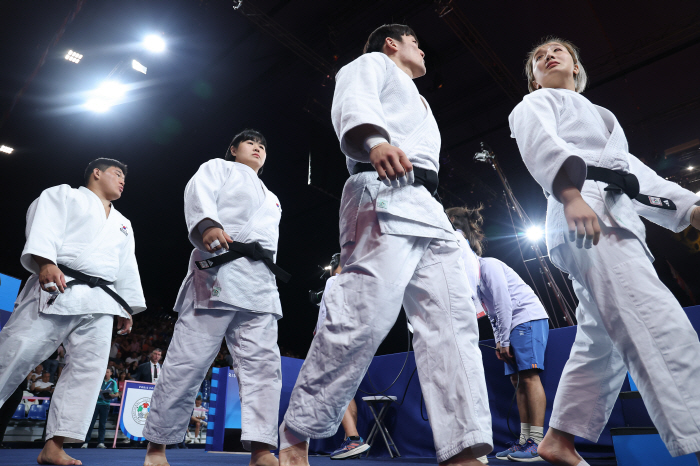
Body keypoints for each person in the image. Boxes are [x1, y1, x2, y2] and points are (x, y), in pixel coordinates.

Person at [279, 24, 492, 466]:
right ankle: (296, 434)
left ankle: (463, 448)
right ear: (392, 43)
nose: (424, 51)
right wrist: (374, 141)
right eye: (417, 41)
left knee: (452, 325)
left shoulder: (421, 100)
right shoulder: (371, 63)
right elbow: (352, 103)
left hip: (428, 207)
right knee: (363, 316)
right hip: (382, 188)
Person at [509, 37, 700, 466]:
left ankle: (559, 439)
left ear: (576, 66)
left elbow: (637, 176)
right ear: (534, 80)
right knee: (654, 322)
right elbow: (540, 146)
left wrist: (690, 209)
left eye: (558, 51)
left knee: (603, 339)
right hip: (586, 214)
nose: (547, 56)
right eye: (538, 58)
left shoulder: (602, 118)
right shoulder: (534, 106)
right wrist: (568, 192)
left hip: (611, 216)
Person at [143, 129, 285, 466]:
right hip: (219, 273)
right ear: (233, 149)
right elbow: (198, 194)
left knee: (264, 369)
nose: (258, 148)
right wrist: (207, 224)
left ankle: (261, 448)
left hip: (260, 285)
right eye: (250, 143)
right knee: (186, 362)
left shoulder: (272, 197)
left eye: (263, 145)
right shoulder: (217, 169)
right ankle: (156, 447)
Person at [0, 157, 146, 466]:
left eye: (124, 177)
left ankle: (55, 445)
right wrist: (45, 261)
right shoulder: (64, 194)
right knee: (13, 354)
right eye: (117, 173)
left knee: (87, 373)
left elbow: (126, 267)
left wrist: (125, 306)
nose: (122, 181)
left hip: (102, 301)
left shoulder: (123, 223)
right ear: (96, 172)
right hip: (59, 283)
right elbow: (44, 226)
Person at [448, 206, 550, 462]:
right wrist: (499, 340)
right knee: (517, 382)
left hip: (527, 319)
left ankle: (537, 443)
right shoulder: (475, 278)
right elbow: (493, 314)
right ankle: (525, 440)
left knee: (528, 377)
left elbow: (504, 304)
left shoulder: (489, 266)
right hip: (510, 326)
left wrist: (504, 339)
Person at [313, 254, 370, 460]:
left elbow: (328, 313)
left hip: (336, 340)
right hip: (358, 343)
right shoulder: (361, 283)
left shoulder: (333, 280)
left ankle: (353, 438)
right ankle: (350, 441)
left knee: (337, 390)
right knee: (348, 392)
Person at [81, 368, 119, 449]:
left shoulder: (113, 382)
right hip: (96, 404)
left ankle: (101, 442)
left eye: (108, 372)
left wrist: (113, 395)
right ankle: (86, 442)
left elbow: (117, 394)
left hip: (105, 405)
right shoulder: (99, 380)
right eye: (105, 372)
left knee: (102, 424)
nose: (106, 373)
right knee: (91, 423)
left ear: (111, 373)